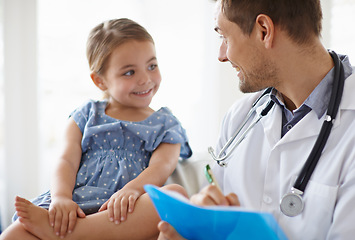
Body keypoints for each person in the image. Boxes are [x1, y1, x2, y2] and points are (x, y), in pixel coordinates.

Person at [157, 0, 355, 239]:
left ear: (264, 30)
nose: (221, 56)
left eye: (224, 37)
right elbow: (215, 217)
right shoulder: (240, 118)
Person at [0, 18, 191, 240]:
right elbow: (66, 161)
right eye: (129, 72)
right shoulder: (87, 114)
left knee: (176, 197)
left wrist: (132, 189)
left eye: (152, 66)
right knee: (12, 235)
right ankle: (69, 230)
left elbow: (161, 166)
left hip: (124, 211)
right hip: (77, 205)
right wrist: (61, 198)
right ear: (100, 81)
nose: (145, 79)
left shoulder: (165, 123)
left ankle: (66, 235)